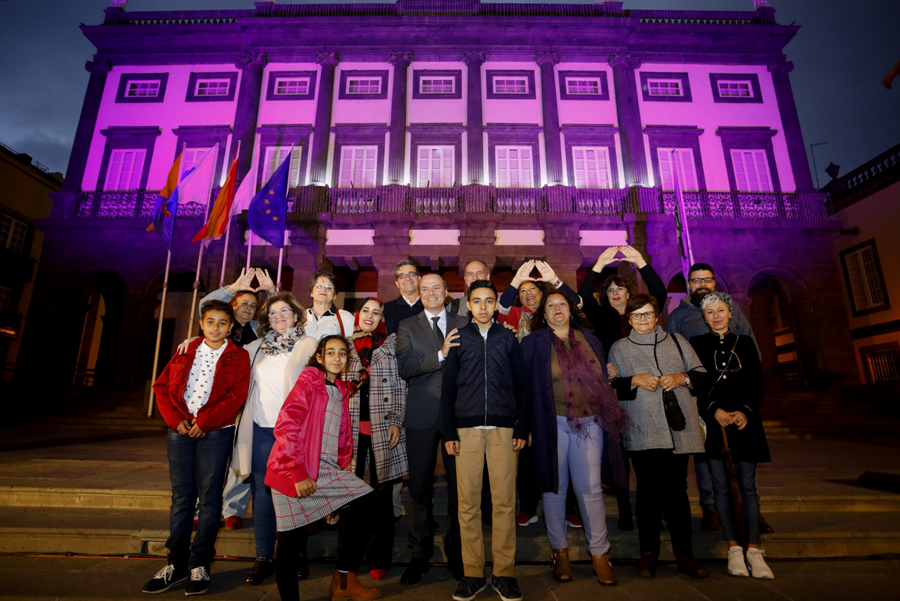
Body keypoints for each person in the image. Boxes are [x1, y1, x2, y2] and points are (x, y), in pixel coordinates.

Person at [142, 300, 250, 596]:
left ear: (231, 327)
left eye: (223, 323)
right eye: (210, 321)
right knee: (182, 499)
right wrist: (176, 421)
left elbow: (236, 395)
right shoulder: (185, 350)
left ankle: (200, 564)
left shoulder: (238, 356)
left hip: (215, 433)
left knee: (211, 500)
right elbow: (161, 388)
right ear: (201, 324)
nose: (216, 327)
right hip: (179, 431)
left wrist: (205, 421)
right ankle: (175, 563)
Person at [520, 290, 627, 585]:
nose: (557, 309)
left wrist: (611, 373)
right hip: (550, 423)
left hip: (589, 422)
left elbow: (602, 378)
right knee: (554, 489)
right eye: (550, 305)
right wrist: (525, 428)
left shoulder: (590, 339)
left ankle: (599, 555)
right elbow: (525, 389)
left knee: (590, 489)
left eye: (562, 304)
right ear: (543, 313)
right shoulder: (533, 343)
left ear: (571, 309)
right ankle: (560, 553)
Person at [267, 335, 381, 601]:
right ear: (319, 357)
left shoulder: (340, 391)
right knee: (289, 543)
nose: (337, 358)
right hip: (292, 471)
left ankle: (344, 581)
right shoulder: (308, 383)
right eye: (330, 352)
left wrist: (338, 498)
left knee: (366, 501)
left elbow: (341, 440)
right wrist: (298, 474)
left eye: (342, 354)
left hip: (326, 472)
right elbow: (286, 426)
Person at [608, 294, 709, 580]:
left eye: (648, 314)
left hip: (679, 428)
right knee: (648, 493)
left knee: (677, 492)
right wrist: (634, 380)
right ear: (628, 320)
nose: (643, 319)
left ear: (657, 317)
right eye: (636, 315)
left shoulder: (677, 342)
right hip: (643, 428)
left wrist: (681, 378)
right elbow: (612, 386)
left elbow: (701, 376)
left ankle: (685, 554)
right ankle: (648, 553)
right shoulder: (619, 348)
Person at [442, 280, 530, 601]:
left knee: (505, 503)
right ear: (468, 305)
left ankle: (504, 574)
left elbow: (522, 385)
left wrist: (521, 428)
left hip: (504, 430)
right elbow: (448, 389)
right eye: (476, 301)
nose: (482, 306)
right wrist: (449, 431)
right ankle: (473, 574)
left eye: (488, 301)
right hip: (465, 432)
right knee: (467, 506)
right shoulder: (458, 339)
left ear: (496, 305)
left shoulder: (508, 338)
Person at [667, 262, 765, 533]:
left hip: (737, 394)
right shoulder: (679, 315)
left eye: (706, 280)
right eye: (696, 280)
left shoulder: (730, 308)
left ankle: (749, 508)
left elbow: (750, 343)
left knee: (744, 454)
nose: (701, 284)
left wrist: (751, 386)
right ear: (689, 284)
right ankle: (711, 507)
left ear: (713, 282)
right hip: (700, 395)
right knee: (705, 455)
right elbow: (672, 351)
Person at [231, 292, 318, 586]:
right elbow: (222, 343)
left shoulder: (310, 345)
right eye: (272, 313)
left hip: (294, 433)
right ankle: (264, 556)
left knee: (295, 494)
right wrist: (191, 343)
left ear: (296, 314)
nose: (278, 317)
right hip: (260, 430)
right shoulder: (256, 348)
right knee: (262, 494)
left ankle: (295, 554)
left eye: (284, 311)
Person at [578, 246, 667, 532]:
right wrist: (600, 263)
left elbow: (658, 291)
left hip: (647, 391)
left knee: (645, 457)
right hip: (614, 392)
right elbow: (582, 293)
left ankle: (647, 510)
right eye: (610, 288)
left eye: (620, 287)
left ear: (629, 293)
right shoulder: (600, 315)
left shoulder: (641, 315)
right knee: (618, 456)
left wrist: (640, 261)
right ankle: (626, 510)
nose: (615, 291)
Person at [690, 292, 774, 580]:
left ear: (730, 313)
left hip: (744, 423)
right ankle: (733, 548)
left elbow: (757, 383)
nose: (716, 315)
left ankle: (753, 548)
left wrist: (745, 411)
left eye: (721, 310)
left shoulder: (746, 343)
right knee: (720, 487)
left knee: (748, 487)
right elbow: (697, 385)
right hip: (714, 425)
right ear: (704, 317)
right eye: (710, 311)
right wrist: (713, 410)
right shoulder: (697, 344)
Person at [395, 274, 469, 584]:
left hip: (458, 416)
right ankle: (418, 556)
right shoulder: (407, 326)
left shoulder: (463, 323)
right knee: (419, 490)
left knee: (459, 489)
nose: (430, 292)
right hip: (421, 415)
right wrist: (440, 355)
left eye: (436, 287)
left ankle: (458, 554)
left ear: (446, 292)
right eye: (424, 289)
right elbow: (405, 367)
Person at [496, 261, 581, 530]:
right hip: (525, 393)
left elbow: (576, 303)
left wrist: (554, 279)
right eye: (522, 291)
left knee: (564, 453)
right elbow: (499, 309)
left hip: (559, 393)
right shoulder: (515, 317)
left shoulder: (555, 317)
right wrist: (515, 280)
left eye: (532, 288)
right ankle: (528, 507)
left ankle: (569, 509)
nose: (527, 293)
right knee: (529, 450)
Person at [189, 268, 273, 532]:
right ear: (233, 304)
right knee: (211, 461)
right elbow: (206, 305)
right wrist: (233, 286)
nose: (248, 308)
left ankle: (233, 509)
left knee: (241, 456)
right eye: (243, 303)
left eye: (253, 305)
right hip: (214, 399)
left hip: (245, 401)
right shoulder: (220, 325)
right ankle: (201, 507)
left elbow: (288, 318)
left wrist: (271, 292)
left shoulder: (259, 334)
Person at [345, 298, 409, 580]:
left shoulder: (390, 346)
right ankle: (349, 559)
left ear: (383, 316)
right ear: (358, 316)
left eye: (376, 312)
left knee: (382, 502)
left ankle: (378, 559)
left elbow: (400, 387)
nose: (370, 316)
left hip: (383, 433)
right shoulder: (344, 346)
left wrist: (397, 420)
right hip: (351, 433)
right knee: (352, 500)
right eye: (366, 311)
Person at [304, 270, 355, 341]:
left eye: (329, 288)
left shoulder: (344, 317)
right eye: (319, 286)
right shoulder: (301, 316)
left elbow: (354, 345)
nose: (323, 290)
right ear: (311, 292)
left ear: (334, 295)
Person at [382, 260, 423, 336]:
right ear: (397, 283)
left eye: (411, 274)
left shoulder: (431, 307)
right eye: (402, 276)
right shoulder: (386, 308)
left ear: (419, 278)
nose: (407, 278)